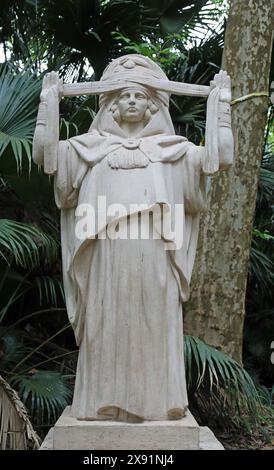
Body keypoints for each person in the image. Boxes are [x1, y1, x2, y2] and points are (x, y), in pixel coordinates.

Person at [33, 54, 233, 422]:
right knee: (105, 325)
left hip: (154, 252)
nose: (130, 101)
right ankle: (100, 404)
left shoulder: (172, 151)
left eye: (139, 95)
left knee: (153, 324)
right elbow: (45, 156)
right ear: (109, 104)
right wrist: (48, 105)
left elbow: (219, 160)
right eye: (123, 95)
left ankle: (155, 406)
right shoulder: (89, 148)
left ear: (152, 106)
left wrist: (221, 108)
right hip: (105, 254)